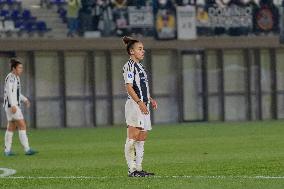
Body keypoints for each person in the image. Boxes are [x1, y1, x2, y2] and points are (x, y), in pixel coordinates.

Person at [122, 36, 158, 177]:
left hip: (144, 103)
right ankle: (132, 170)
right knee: (132, 137)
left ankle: (139, 169)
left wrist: (149, 98)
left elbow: (142, 87)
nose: (143, 51)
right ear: (131, 51)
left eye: (143, 49)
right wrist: (139, 102)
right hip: (134, 105)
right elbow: (129, 87)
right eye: (140, 49)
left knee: (142, 137)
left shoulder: (141, 67)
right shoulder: (129, 66)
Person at [3, 58, 38, 156]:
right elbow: (9, 92)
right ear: (14, 68)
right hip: (12, 106)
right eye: (19, 68)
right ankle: (27, 149)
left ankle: (7, 151)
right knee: (22, 125)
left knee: (11, 127)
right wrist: (13, 105)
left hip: (10, 106)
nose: (21, 69)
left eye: (22, 68)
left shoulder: (16, 78)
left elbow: (16, 93)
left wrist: (25, 99)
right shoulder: (11, 78)